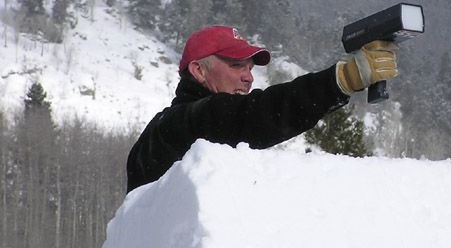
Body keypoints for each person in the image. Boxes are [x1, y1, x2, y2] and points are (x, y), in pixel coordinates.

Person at [126, 25, 398, 192]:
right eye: (236, 66)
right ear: (198, 70)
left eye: (250, 68)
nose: (248, 77)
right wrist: (341, 80)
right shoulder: (179, 124)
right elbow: (257, 114)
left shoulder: (208, 131)